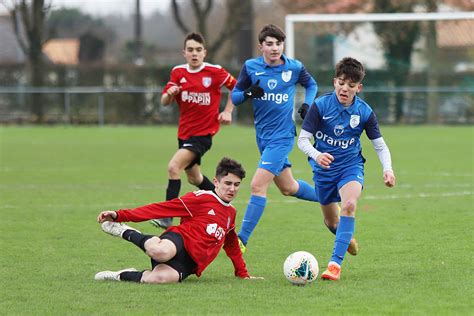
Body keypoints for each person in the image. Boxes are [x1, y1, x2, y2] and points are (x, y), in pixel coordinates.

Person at [297, 57, 396, 281]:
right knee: (332, 222)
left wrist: (387, 169)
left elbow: (379, 145)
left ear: (358, 88)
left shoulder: (364, 112)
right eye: (341, 83)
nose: (345, 88)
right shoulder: (320, 106)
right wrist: (317, 154)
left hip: (350, 166)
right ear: (334, 82)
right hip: (323, 171)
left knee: (349, 205)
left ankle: (334, 266)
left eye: (351, 85)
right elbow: (303, 140)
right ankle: (346, 237)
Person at [94, 157, 263, 284]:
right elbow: (160, 208)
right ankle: (123, 230)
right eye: (228, 183)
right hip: (179, 241)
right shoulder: (200, 198)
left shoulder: (231, 212)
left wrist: (243, 274)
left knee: (159, 278)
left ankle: (119, 275)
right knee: (161, 252)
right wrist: (119, 215)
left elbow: (232, 244)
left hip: (191, 262)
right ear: (216, 182)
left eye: (237, 184)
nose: (232, 189)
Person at [230, 24, 319, 252]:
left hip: (282, 137)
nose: (274, 48)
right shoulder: (251, 67)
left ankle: (241, 241)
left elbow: (311, 84)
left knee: (257, 185)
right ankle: (328, 196)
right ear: (261, 46)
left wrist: (307, 104)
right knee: (288, 187)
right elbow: (236, 95)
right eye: (269, 44)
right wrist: (248, 93)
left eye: (278, 43)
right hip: (263, 137)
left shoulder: (294, 67)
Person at [152, 32, 237, 229]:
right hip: (184, 134)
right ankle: (223, 202)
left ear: (204, 52)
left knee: (174, 167)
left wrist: (228, 111)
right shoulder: (178, 73)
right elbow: (164, 101)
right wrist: (169, 94)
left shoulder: (215, 72)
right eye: (190, 50)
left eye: (198, 50)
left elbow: (237, 87)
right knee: (194, 178)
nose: (194, 53)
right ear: (184, 53)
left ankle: (167, 216)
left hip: (203, 134)